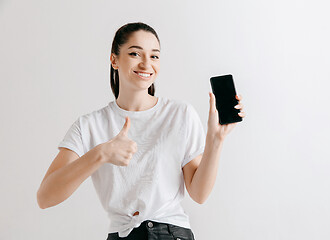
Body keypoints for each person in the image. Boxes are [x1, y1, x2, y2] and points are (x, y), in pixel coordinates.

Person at [36, 22, 246, 240]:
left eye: (154, 56)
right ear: (114, 60)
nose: (146, 64)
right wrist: (101, 154)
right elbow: (45, 197)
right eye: (135, 53)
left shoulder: (180, 113)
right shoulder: (90, 125)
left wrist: (216, 140)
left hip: (172, 233)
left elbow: (199, 194)